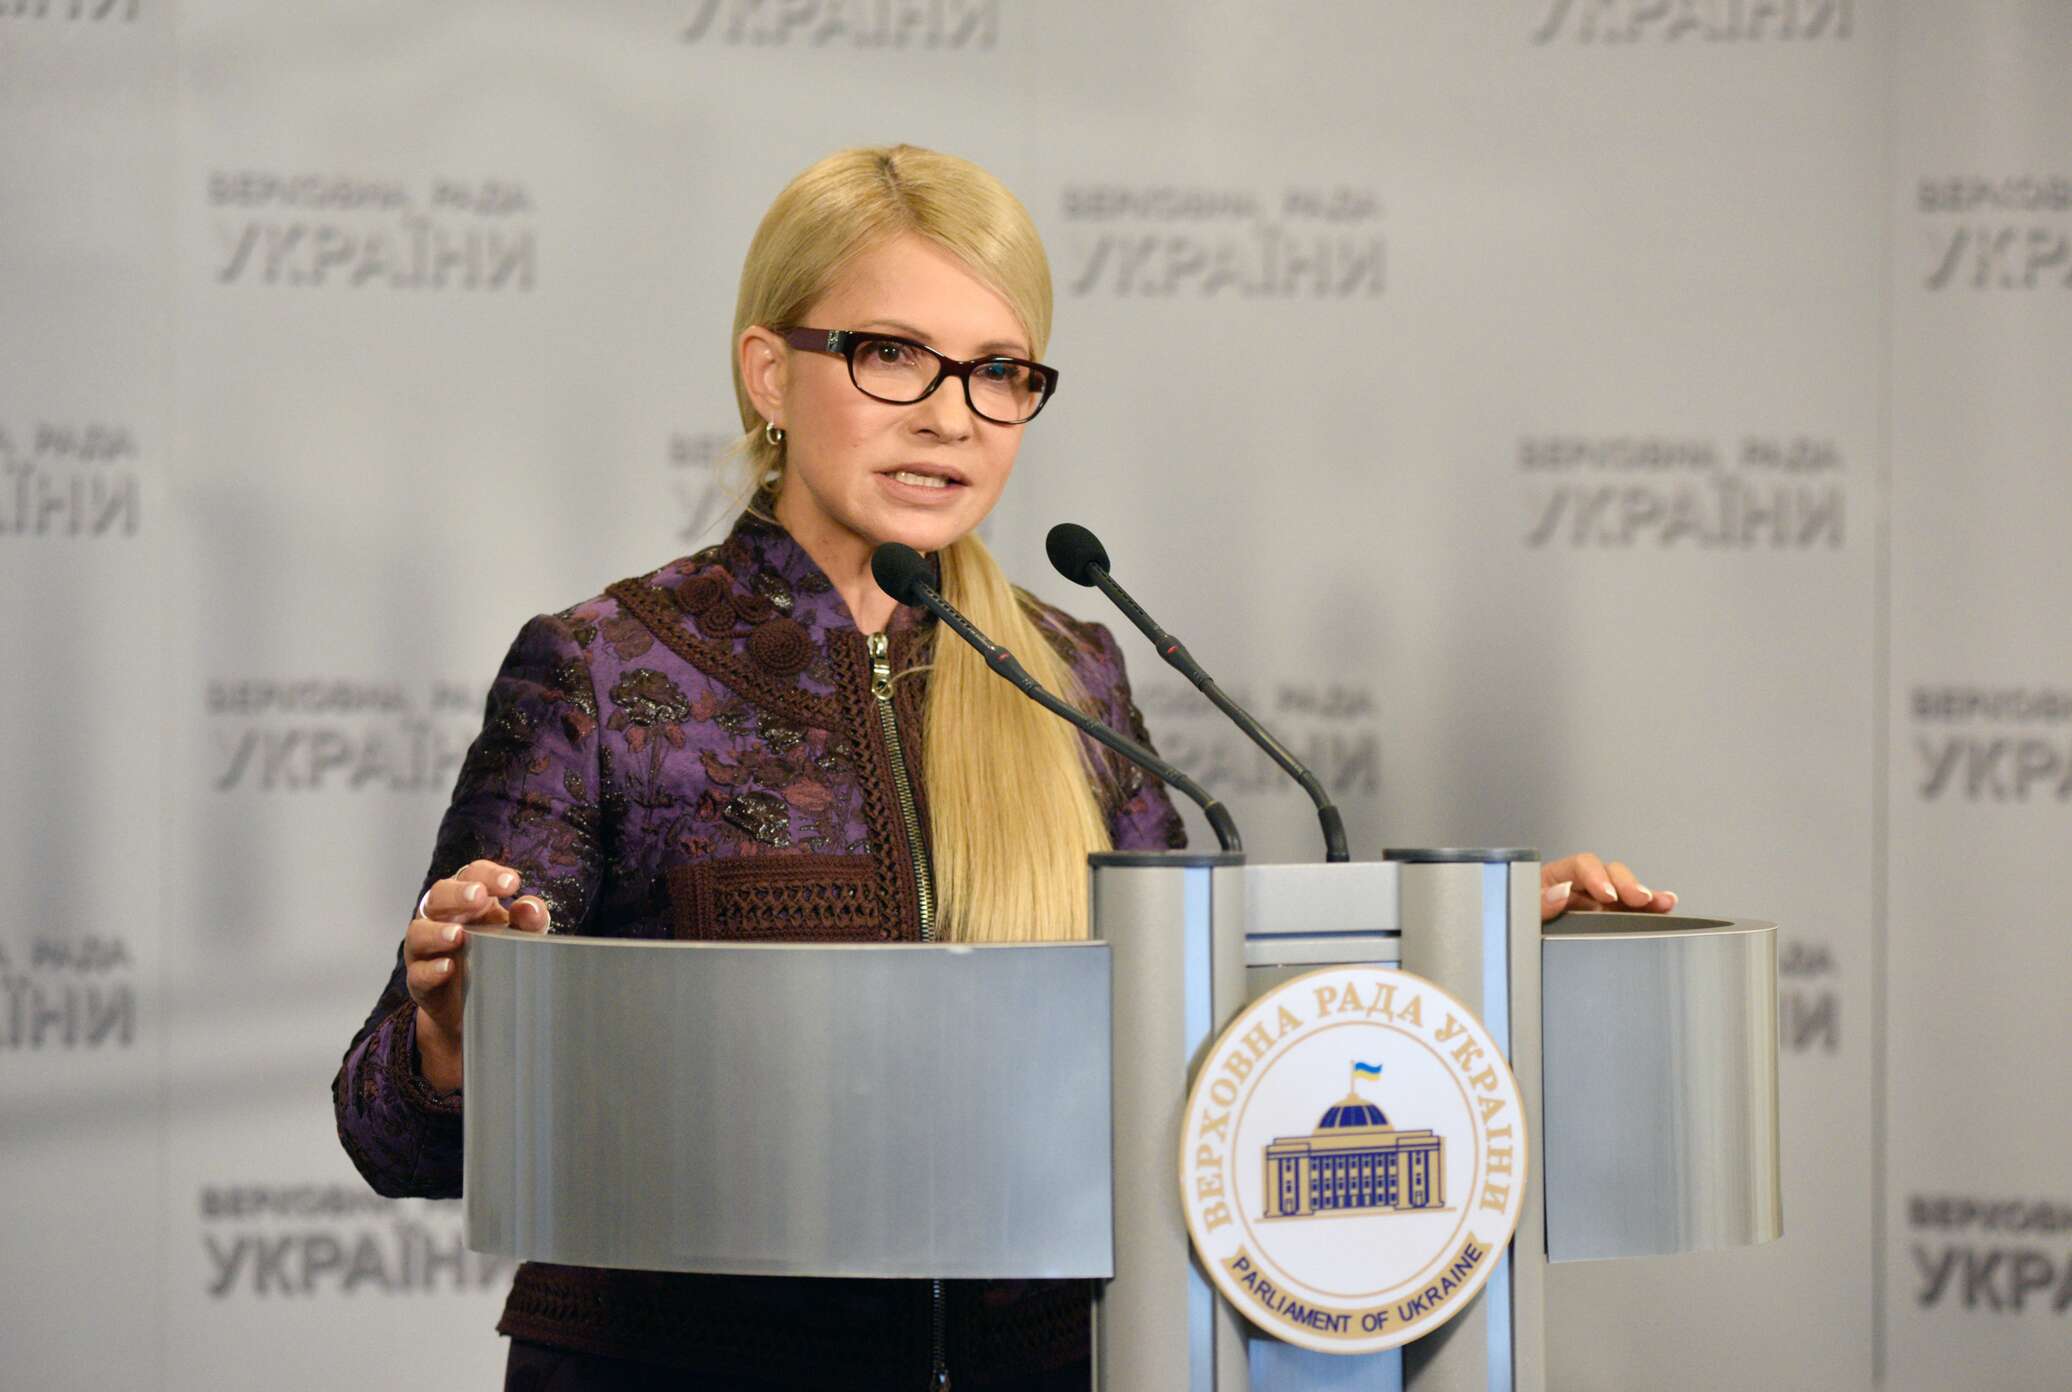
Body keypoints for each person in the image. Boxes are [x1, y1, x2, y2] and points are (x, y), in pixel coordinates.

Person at [332, 144, 1676, 1391]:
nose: (952, 416)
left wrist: (1465, 951)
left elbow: (1201, 1044)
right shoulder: (606, 668)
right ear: (768, 373)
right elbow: (391, 1134)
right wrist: (455, 1046)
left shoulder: (1074, 668)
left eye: (998, 371)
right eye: (892, 355)